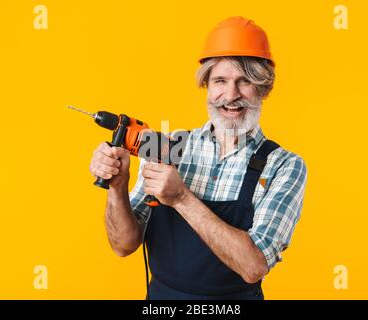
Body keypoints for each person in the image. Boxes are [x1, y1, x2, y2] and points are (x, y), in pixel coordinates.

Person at [89, 16, 307, 300]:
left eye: (245, 82)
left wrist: (180, 197)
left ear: (263, 89)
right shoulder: (170, 146)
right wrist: (118, 188)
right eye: (220, 80)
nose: (231, 95)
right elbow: (123, 245)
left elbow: (254, 266)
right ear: (206, 85)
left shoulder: (283, 165)